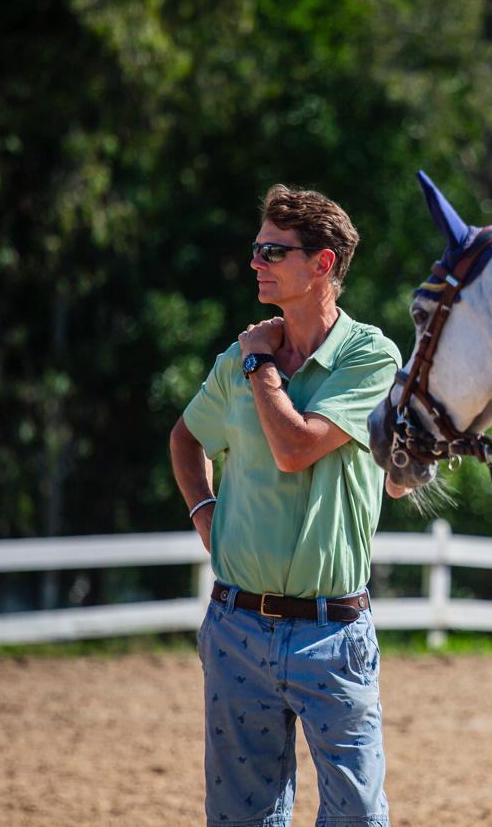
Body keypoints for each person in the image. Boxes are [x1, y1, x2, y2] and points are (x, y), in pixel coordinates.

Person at [170, 184, 401, 825]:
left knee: (356, 817)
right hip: (235, 629)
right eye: (256, 248)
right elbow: (186, 438)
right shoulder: (241, 358)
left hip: (334, 634)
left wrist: (258, 366)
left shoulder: (370, 356)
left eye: (274, 250)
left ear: (323, 265)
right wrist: (206, 518)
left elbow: (296, 447)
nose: (256, 262)